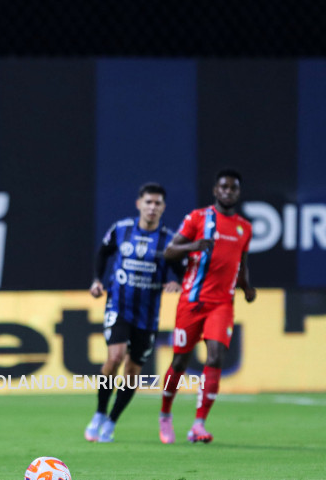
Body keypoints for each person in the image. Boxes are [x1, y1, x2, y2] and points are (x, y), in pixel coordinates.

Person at [159, 169, 256, 444]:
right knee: (180, 361)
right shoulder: (197, 218)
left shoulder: (244, 228)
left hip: (222, 304)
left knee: (215, 357)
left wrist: (246, 287)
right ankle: (165, 414)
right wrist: (194, 245)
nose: (228, 191)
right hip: (191, 301)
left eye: (233, 188)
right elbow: (168, 252)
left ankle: (198, 425)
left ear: (238, 192)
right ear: (215, 190)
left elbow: (242, 263)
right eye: (223, 187)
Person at [84, 183, 183, 443]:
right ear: (139, 203)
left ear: (163, 208)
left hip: (147, 315)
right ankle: (98, 412)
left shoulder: (169, 240)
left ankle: (111, 421)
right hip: (119, 305)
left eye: (157, 203)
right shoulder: (121, 229)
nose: (152, 207)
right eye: (148, 202)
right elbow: (103, 253)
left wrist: (178, 283)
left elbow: (181, 271)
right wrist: (97, 280)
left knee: (132, 369)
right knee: (114, 357)